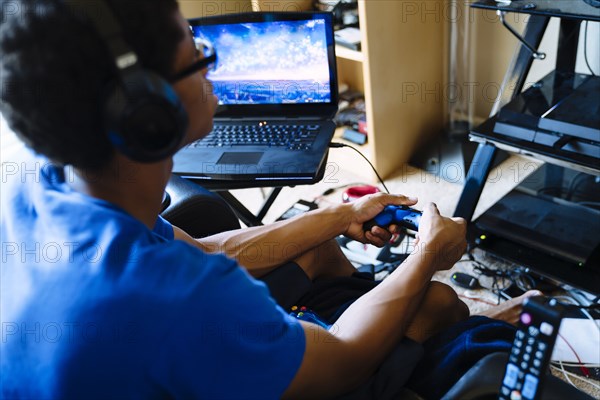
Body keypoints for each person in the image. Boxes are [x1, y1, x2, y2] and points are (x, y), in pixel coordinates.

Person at [0, 1, 537, 398]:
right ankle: (482, 322)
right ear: (147, 112)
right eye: (198, 57)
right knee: (440, 303)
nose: (213, 71)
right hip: (317, 371)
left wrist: (342, 214)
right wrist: (425, 258)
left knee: (320, 248)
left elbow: (210, 254)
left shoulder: (41, 183)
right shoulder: (174, 298)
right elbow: (344, 362)